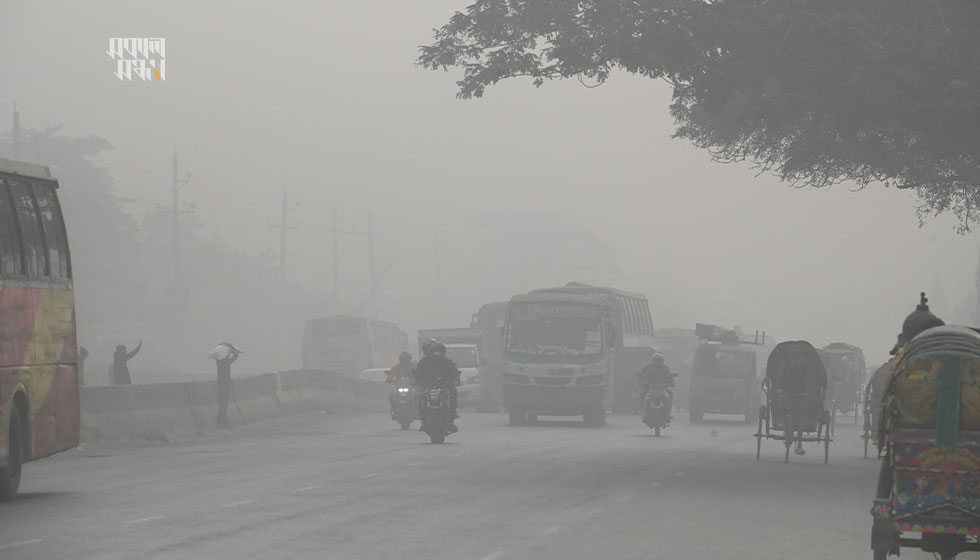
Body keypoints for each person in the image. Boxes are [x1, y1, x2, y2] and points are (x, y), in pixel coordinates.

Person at [414, 340, 461, 433]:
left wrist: (456, 379)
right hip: (428, 386)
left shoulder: (447, 361)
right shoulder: (424, 361)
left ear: (443, 351)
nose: (437, 353)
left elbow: (455, 372)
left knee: (453, 392)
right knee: (420, 396)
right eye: (435, 351)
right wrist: (416, 379)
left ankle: (452, 415)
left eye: (439, 351)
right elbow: (418, 372)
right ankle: (422, 417)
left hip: (445, 385)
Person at [212, 343, 242, 430]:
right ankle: (224, 423)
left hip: (221, 384)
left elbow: (229, 361)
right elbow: (230, 361)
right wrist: (235, 354)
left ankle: (219, 422)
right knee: (223, 405)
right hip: (224, 385)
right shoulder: (223, 362)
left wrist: (233, 354)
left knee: (222, 405)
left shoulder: (220, 361)